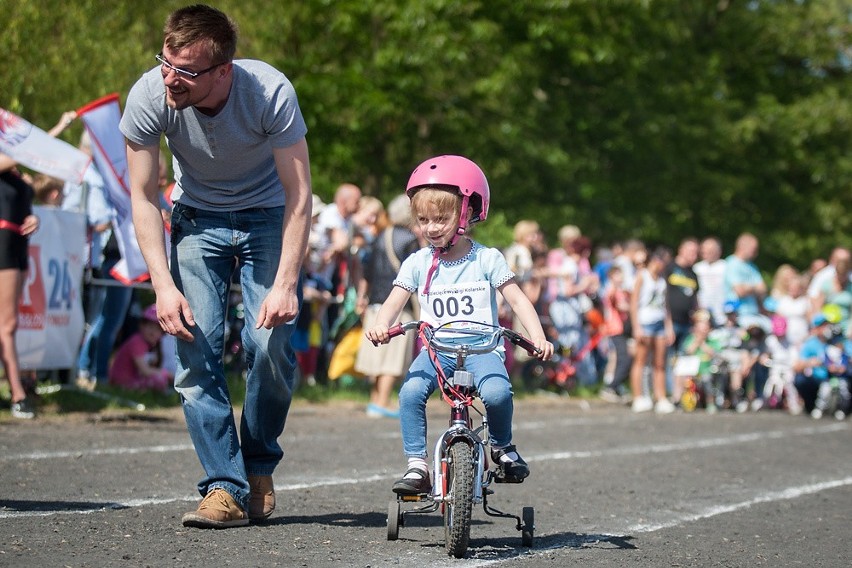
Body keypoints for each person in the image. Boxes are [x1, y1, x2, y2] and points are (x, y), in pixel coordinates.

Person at [121, 4, 312, 529]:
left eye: (187, 70)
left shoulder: (268, 92)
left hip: (269, 214)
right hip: (196, 217)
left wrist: (286, 284)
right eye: (165, 62)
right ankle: (223, 487)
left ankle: (257, 464)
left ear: (223, 69)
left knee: (270, 342)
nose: (171, 78)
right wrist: (161, 285)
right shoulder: (148, 96)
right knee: (194, 345)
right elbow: (141, 196)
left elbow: (300, 193)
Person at [365, 155, 553, 495]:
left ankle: (501, 446)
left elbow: (518, 300)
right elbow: (394, 300)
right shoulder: (417, 262)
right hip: (437, 351)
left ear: (466, 213)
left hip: (482, 348)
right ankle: (417, 465)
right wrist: (381, 324)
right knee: (409, 393)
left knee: (497, 394)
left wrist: (536, 337)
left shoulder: (487, 258)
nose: (432, 227)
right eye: (423, 220)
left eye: (441, 218)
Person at [354, 194, 419, 418]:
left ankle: (374, 400)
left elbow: (367, 271)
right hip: (398, 304)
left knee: (376, 355)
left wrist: (363, 296)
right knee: (393, 358)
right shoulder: (409, 239)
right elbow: (415, 276)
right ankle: (383, 401)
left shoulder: (380, 236)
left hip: (376, 302)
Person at [628, 246, 675, 414]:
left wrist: (669, 327)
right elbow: (634, 303)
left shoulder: (662, 279)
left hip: (660, 322)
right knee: (640, 360)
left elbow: (665, 305)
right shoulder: (643, 276)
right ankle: (638, 396)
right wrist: (636, 327)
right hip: (645, 322)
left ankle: (661, 397)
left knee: (660, 363)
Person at [108, 304, 173, 392]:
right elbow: (145, 371)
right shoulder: (137, 342)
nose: (153, 332)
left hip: (129, 381)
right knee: (159, 379)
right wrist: (166, 374)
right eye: (150, 327)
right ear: (142, 326)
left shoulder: (147, 344)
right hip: (123, 383)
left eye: (158, 329)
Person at [694, 236, 727, 326]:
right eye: (705, 249)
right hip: (702, 316)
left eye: (711, 250)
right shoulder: (697, 268)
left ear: (719, 251)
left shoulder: (725, 266)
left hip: (722, 315)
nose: (707, 252)